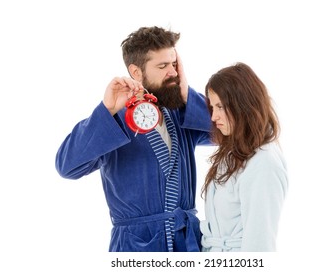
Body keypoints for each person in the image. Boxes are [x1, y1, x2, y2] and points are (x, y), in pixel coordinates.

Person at [55, 26, 212, 252]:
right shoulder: (113, 123)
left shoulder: (181, 113)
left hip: (186, 243)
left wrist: (187, 93)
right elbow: (66, 167)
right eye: (162, 66)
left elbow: (239, 131)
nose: (173, 72)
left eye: (174, 64)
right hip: (135, 247)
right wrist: (106, 111)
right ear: (136, 72)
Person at [200, 62, 288, 252]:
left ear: (243, 105)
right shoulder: (233, 152)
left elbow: (260, 243)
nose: (213, 117)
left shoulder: (264, 163)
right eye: (212, 107)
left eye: (220, 107)